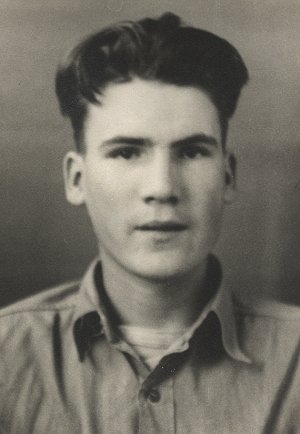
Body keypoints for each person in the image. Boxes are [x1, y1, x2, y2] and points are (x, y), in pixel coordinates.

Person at [0, 12, 299, 434]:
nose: (162, 187)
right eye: (126, 152)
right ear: (77, 178)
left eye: (192, 152)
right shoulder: (6, 357)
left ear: (228, 175)